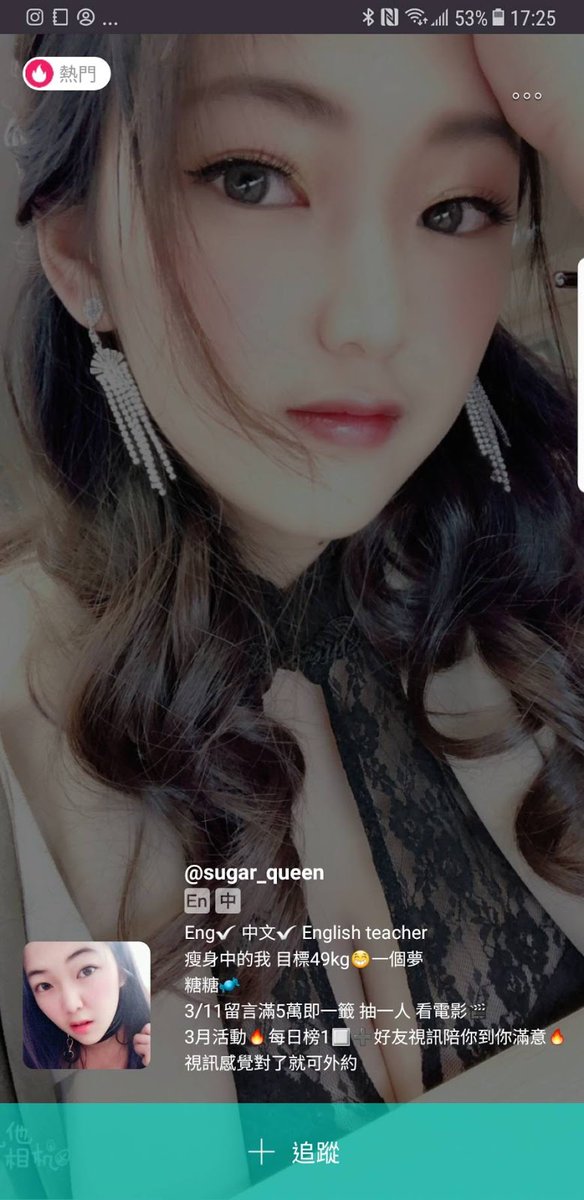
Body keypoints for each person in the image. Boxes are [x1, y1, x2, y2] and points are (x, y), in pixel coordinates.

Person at [0, 28, 583, 1133]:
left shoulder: (539, 571)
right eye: (250, 180)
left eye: (455, 206)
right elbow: (152, 1172)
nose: (373, 321)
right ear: (79, 253)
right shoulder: (33, 704)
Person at [22, 940, 151, 1070]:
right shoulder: (34, 1060)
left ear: (121, 970)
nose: (71, 1006)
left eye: (87, 971)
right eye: (45, 986)